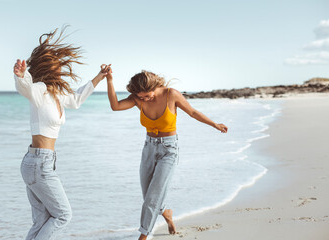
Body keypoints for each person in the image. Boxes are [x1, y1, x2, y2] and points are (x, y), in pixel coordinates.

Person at [106, 68, 228, 240]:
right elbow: (115, 106)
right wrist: (110, 80)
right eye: (140, 97)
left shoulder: (171, 95)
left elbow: (192, 112)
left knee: (152, 198)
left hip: (169, 151)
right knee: (149, 195)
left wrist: (215, 124)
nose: (144, 99)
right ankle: (167, 214)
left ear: (154, 86)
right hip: (148, 149)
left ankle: (143, 235)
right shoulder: (137, 98)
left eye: (146, 95)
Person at [13, 27, 109, 240]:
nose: (59, 69)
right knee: (63, 215)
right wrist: (21, 76)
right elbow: (25, 88)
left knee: (42, 220)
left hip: (39, 162)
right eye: (54, 65)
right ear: (46, 68)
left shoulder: (57, 93)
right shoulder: (38, 90)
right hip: (38, 163)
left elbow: (77, 99)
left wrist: (99, 77)